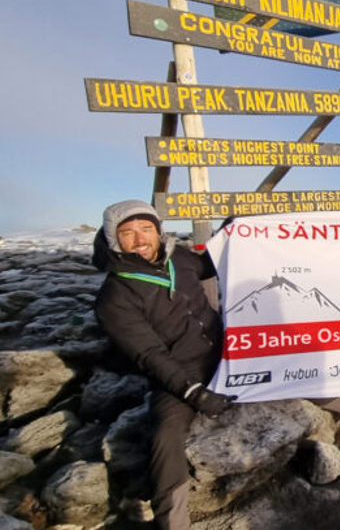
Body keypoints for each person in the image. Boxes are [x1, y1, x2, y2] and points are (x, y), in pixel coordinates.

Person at [92, 200, 236, 530]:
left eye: (146, 229)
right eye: (127, 233)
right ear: (113, 239)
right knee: (165, 434)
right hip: (180, 371)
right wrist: (194, 393)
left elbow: (208, 266)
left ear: (158, 231)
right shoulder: (114, 296)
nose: (140, 239)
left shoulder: (179, 258)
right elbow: (150, 355)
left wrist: (231, 232)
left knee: (294, 364)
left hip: (226, 348)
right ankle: (173, 520)